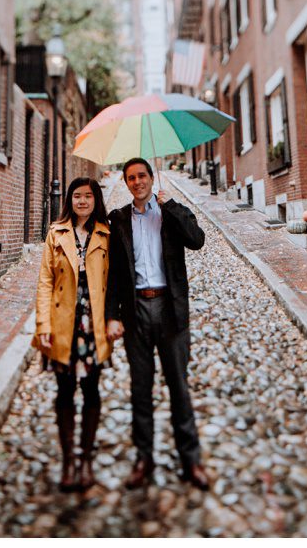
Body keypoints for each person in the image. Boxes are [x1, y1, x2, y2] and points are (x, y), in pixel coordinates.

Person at [106, 158, 210, 490]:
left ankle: (190, 461)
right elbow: (112, 276)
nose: (137, 182)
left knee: (178, 385)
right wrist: (111, 315)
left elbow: (197, 239)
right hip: (136, 310)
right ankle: (143, 459)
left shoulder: (170, 212)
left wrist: (173, 206)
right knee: (140, 389)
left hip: (170, 309)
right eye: (131, 178)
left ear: (152, 178)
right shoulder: (118, 220)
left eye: (142, 176)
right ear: (126, 183)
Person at [34, 177, 117, 491]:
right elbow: (44, 281)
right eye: (77, 196)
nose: (83, 201)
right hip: (63, 324)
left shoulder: (107, 234)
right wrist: (43, 326)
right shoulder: (56, 233)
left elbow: (118, 283)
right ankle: (68, 459)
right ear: (70, 200)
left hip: (93, 325)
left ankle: (86, 460)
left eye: (88, 196)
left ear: (96, 199)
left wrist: (114, 319)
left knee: (92, 389)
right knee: (65, 390)